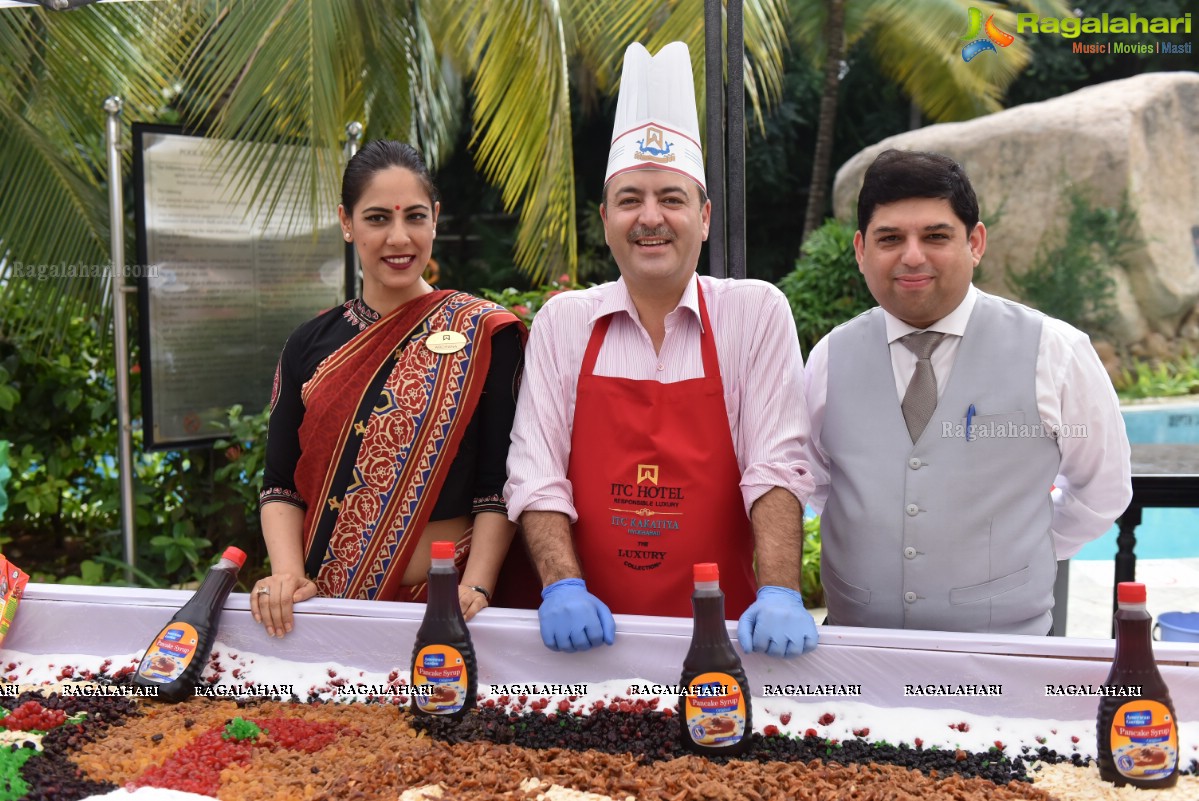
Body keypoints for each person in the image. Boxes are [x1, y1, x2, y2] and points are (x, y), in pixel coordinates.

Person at [504, 42, 819, 657]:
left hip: (724, 642)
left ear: (704, 217)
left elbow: (777, 466)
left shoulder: (754, 312)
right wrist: (561, 584)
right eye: (631, 200)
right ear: (604, 219)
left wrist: (780, 590)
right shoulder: (564, 322)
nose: (651, 217)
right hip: (588, 647)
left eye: (671, 199)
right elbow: (535, 472)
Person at [803, 148, 1132, 635]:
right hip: (860, 649)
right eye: (890, 238)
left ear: (975, 242)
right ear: (860, 250)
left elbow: (1102, 491)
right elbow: (816, 483)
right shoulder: (829, 356)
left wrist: (1020, 554)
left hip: (1005, 652)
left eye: (936, 236)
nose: (912, 256)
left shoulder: (1055, 351)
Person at [253, 140, 525, 637]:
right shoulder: (307, 345)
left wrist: (480, 586)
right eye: (377, 218)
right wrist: (287, 574)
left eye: (415, 217)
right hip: (325, 611)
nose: (399, 238)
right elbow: (280, 484)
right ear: (346, 222)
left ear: (436, 219)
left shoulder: (484, 334)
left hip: (451, 608)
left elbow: (501, 484)